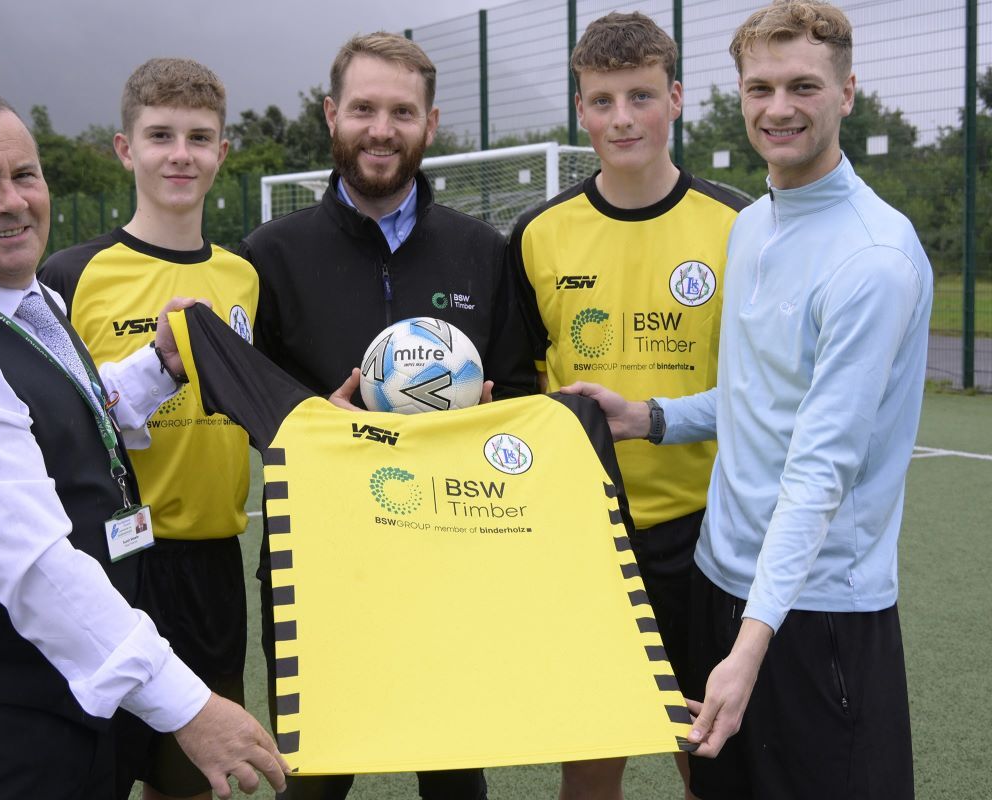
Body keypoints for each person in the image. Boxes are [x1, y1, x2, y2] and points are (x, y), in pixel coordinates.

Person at [0, 88, 287, 800]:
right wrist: (188, 705)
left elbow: (64, 421)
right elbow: (35, 565)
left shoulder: (25, 301)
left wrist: (159, 367)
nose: (12, 201)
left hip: (59, 694)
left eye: (25, 175)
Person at [564, 3, 931, 798]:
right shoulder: (755, 224)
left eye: (803, 85)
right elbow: (759, 398)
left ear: (847, 92)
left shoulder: (872, 259)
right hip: (720, 580)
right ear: (737, 95)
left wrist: (752, 645)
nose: (779, 108)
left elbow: (820, 467)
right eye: (759, 87)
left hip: (817, 611)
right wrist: (650, 419)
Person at [237, 31, 534, 800]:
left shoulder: (482, 251)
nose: (381, 129)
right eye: (364, 108)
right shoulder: (268, 255)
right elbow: (243, 402)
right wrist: (313, 420)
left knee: (455, 774)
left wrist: (488, 419)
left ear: (430, 125)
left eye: (402, 111)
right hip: (319, 555)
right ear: (332, 116)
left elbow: (523, 392)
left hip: (449, 550)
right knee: (315, 778)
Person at [506, 12, 747, 799]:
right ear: (581, 110)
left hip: (705, 534)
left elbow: (762, 390)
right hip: (587, 535)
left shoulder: (741, 226)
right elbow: (517, 388)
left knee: (704, 749)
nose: (621, 119)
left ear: (675, 98)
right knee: (591, 754)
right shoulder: (539, 233)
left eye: (640, 96)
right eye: (602, 100)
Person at [39, 58, 258, 800]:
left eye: (200, 137)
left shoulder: (243, 276)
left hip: (211, 565)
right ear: (125, 149)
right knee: (89, 771)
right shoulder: (73, 273)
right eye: (160, 135)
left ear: (222, 153)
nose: (181, 154)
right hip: (110, 563)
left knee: (193, 779)